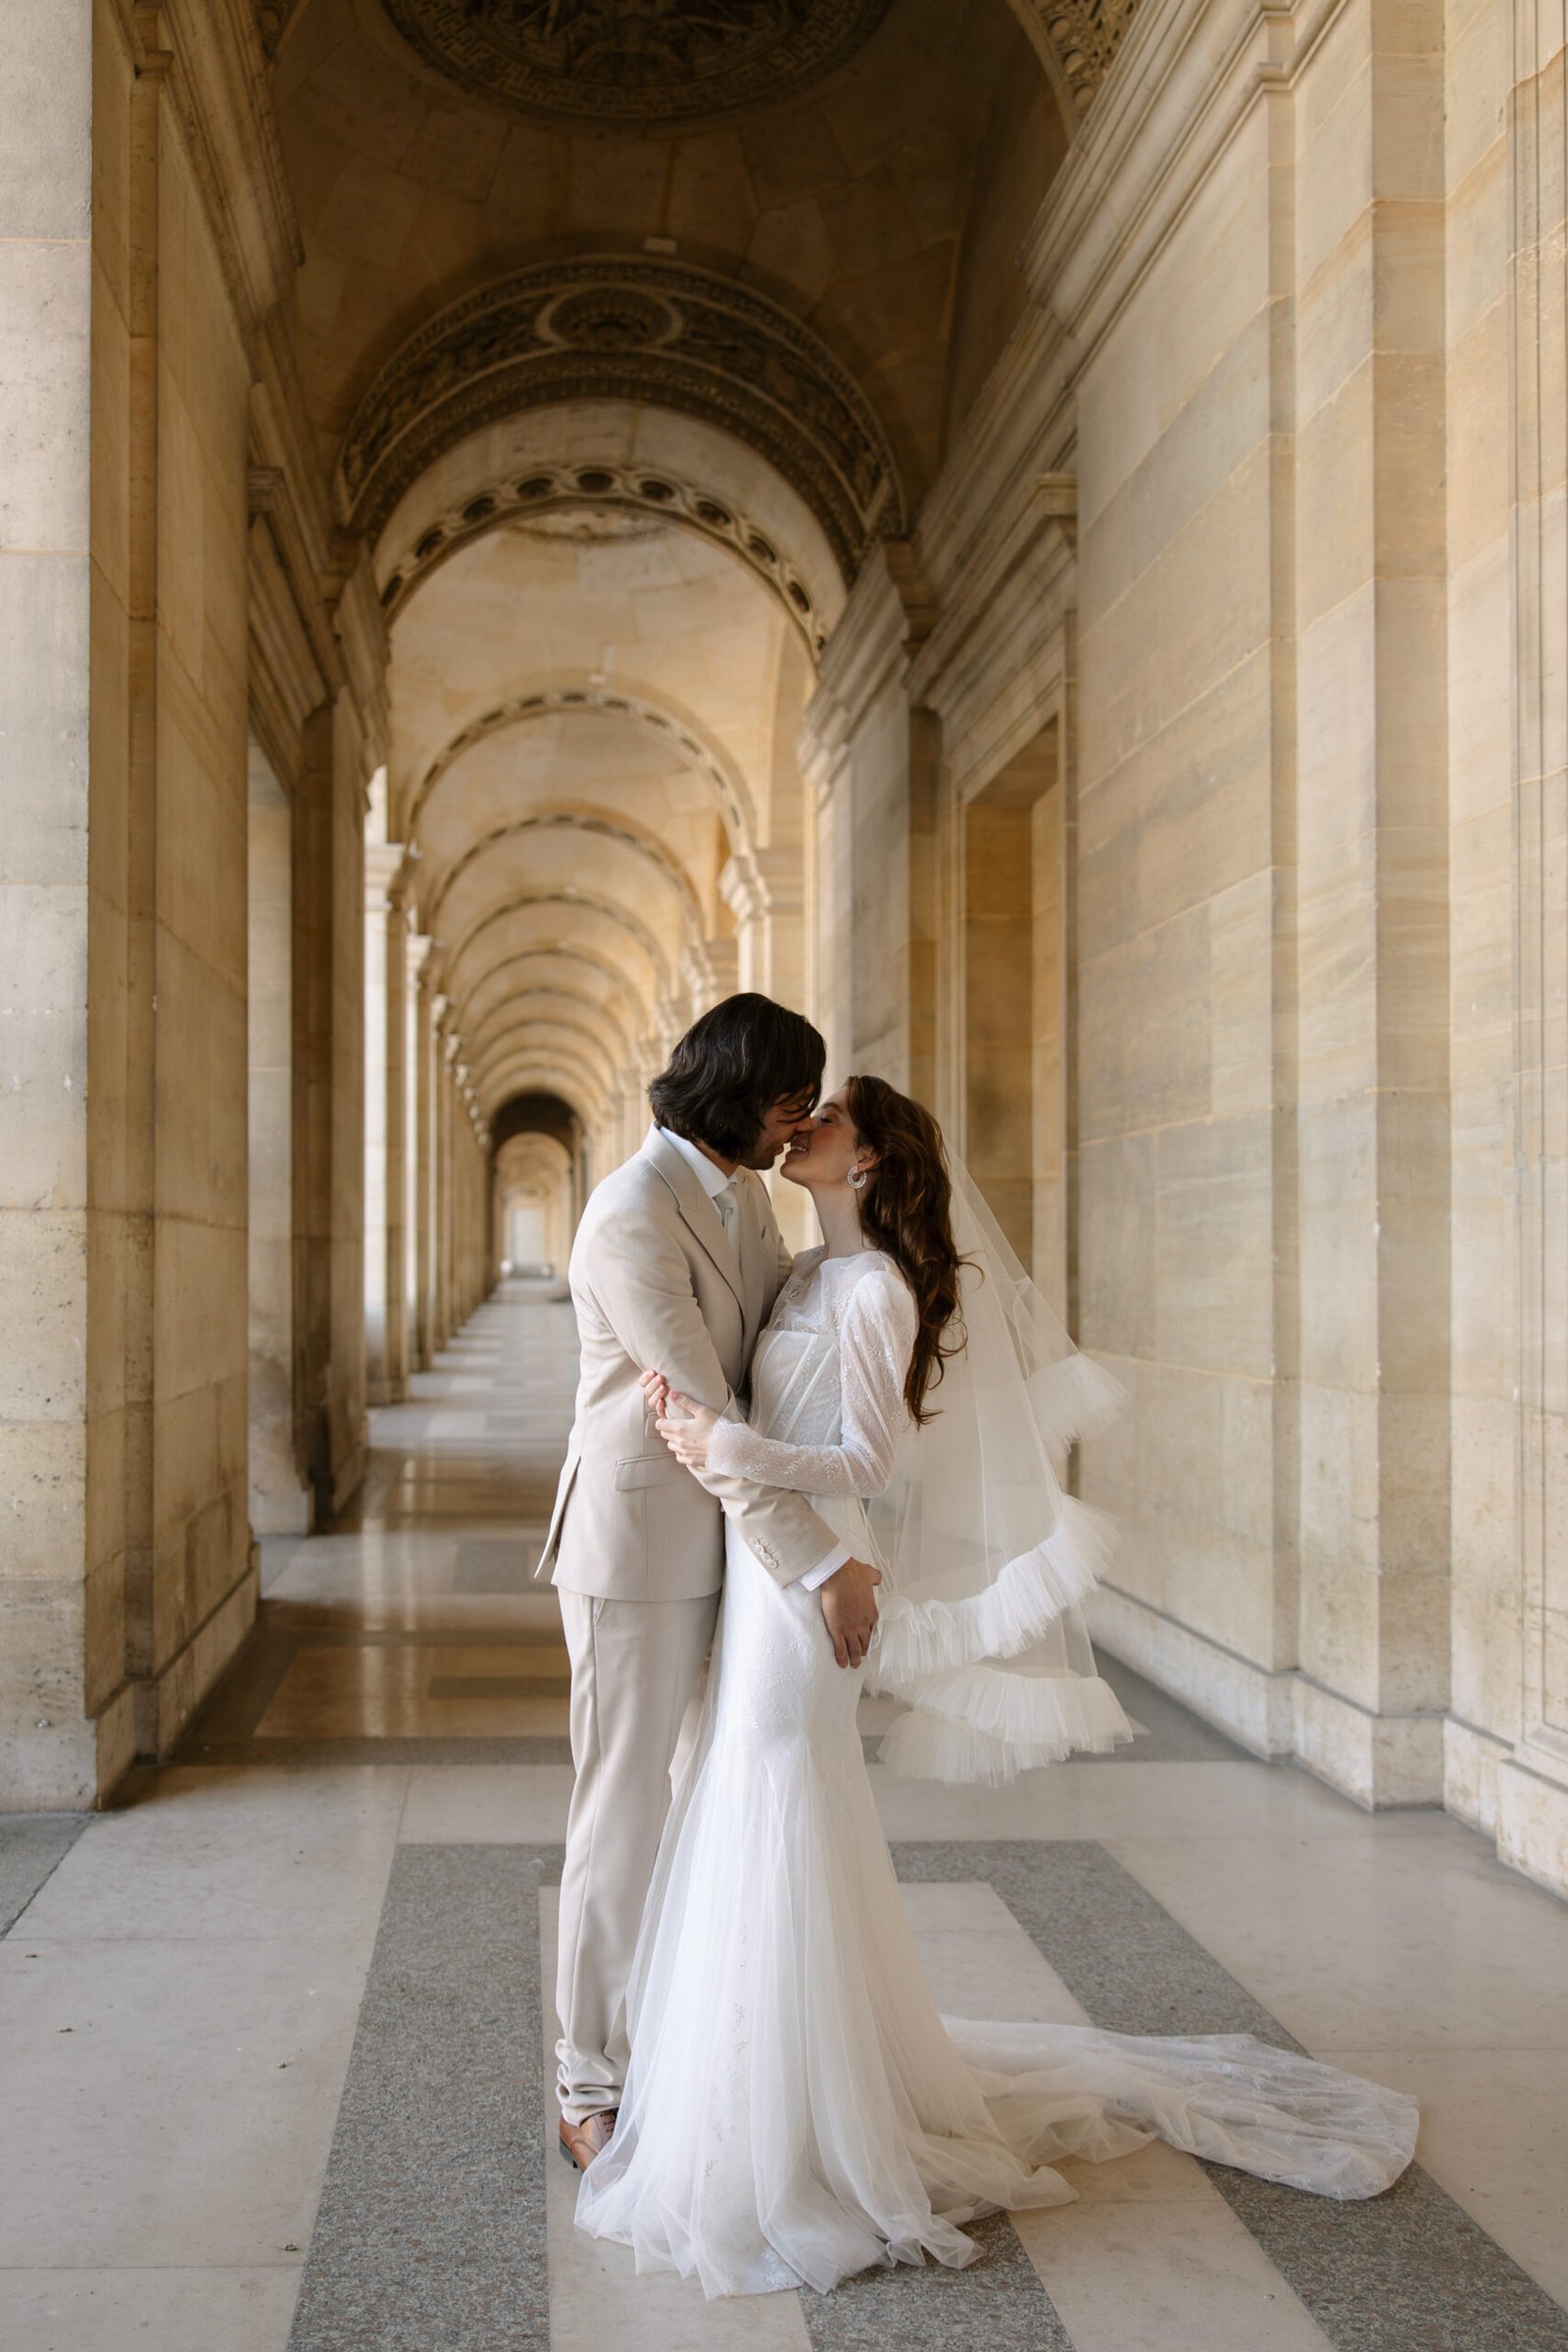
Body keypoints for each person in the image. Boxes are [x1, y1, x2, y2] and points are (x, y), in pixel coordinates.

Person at [572, 1074, 1420, 2297]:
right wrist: (707, 1440)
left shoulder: (872, 1291)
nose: (799, 1128)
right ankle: (754, 2087)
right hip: (762, 1572)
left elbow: (871, 1459)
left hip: (809, 1586)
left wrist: (728, 1449)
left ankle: (791, 2133)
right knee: (743, 1798)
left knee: (773, 1797)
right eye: (798, 1115)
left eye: (830, 1121)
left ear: (865, 1163)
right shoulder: (806, 1274)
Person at [536, 996, 883, 2174]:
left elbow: (796, 1330)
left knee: (708, 1799)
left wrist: (834, 1193)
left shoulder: (741, 1194)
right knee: (623, 1813)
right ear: (740, 1092)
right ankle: (586, 2080)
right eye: (793, 1098)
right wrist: (826, 1565)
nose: (802, 1120)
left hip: (734, 1542)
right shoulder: (630, 1214)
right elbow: (707, 1410)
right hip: (637, 1553)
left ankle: (684, 2052)